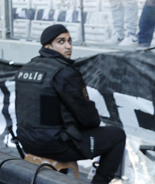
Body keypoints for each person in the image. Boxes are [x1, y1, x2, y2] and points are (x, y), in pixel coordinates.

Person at [15, 25, 126, 184]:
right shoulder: (64, 72)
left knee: (65, 130)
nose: (68, 46)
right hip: (54, 146)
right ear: (48, 46)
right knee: (117, 135)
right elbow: (88, 117)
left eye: (69, 41)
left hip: (27, 142)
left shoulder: (25, 69)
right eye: (61, 41)